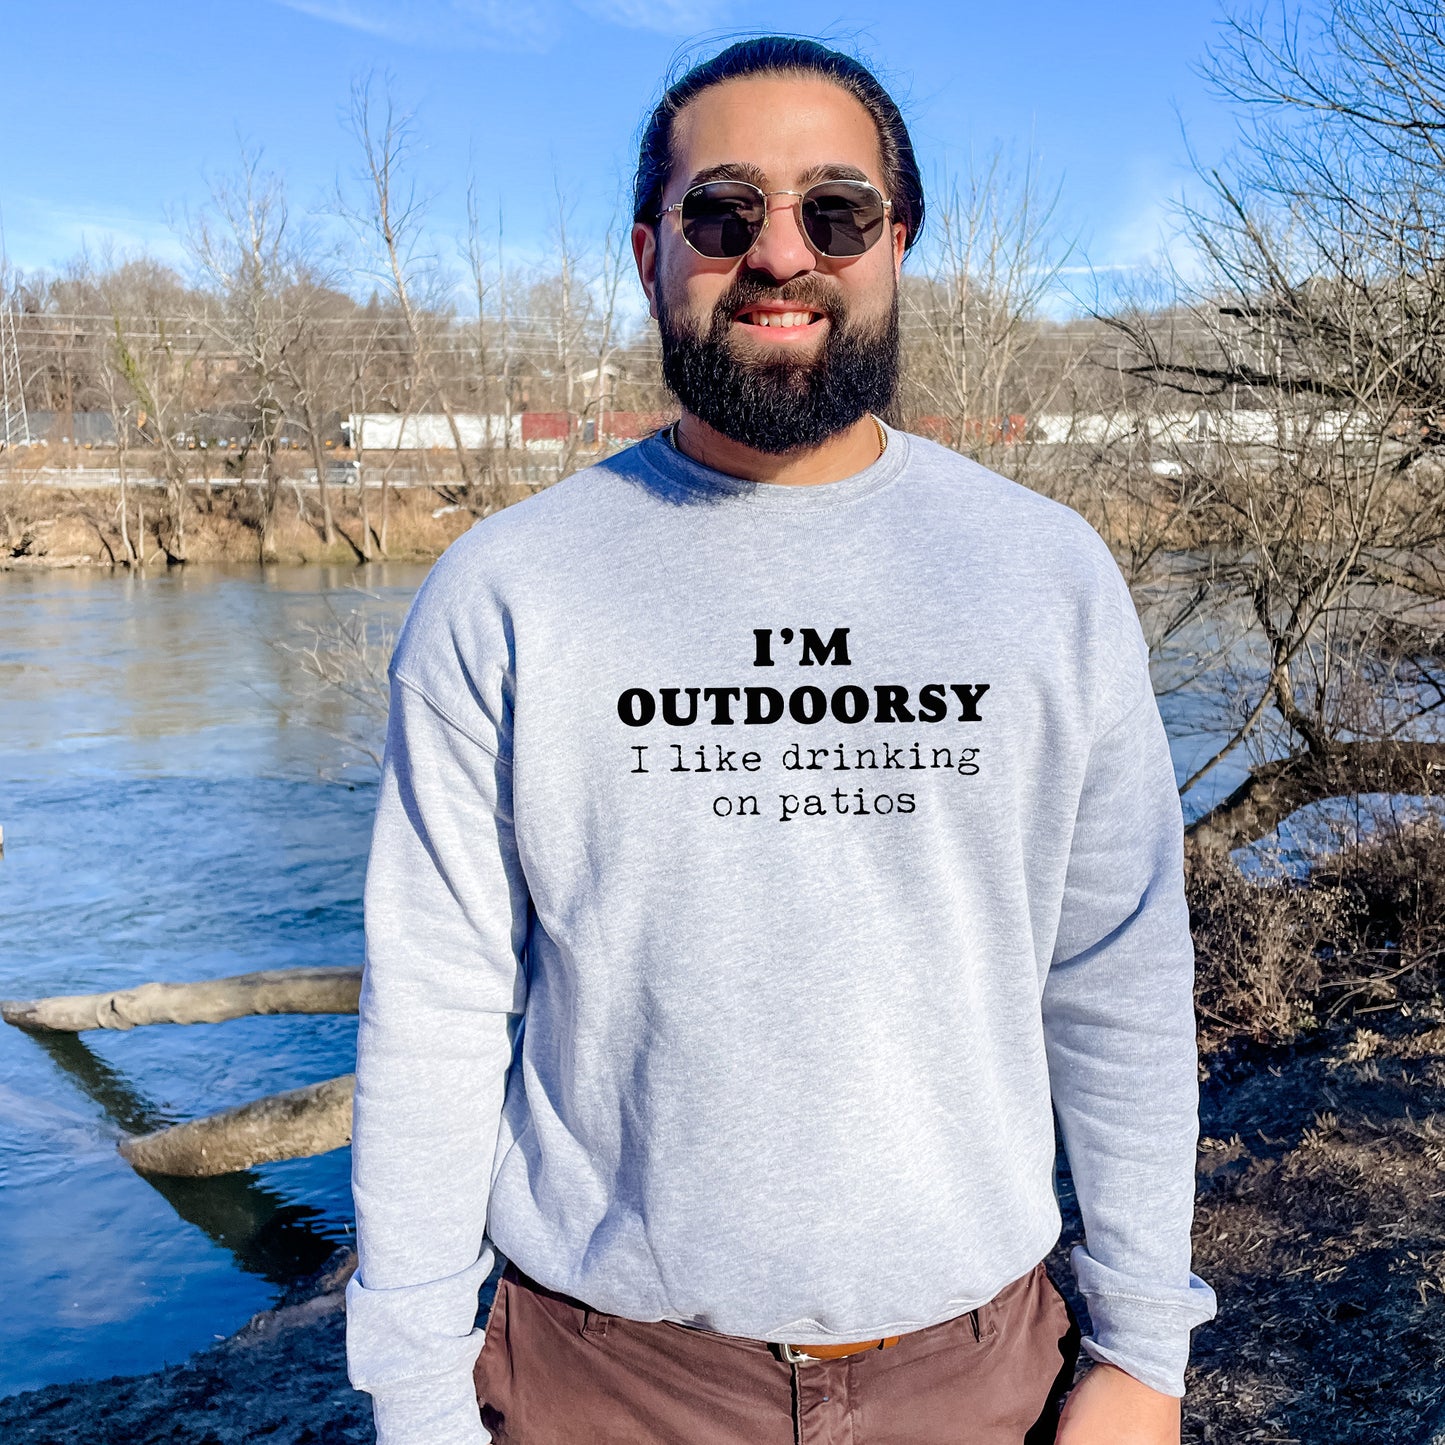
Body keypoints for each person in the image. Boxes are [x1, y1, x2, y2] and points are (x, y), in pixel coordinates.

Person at [345, 35, 1217, 1445]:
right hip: (600, 1383)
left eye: (835, 210)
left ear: (895, 243)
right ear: (649, 252)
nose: (778, 252)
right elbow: (436, 1010)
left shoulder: (1043, 575)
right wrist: (415, 1391)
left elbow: (1114, 976)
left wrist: (1142, 1350)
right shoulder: (508, 589)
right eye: (721, 210)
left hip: (981, 1375)